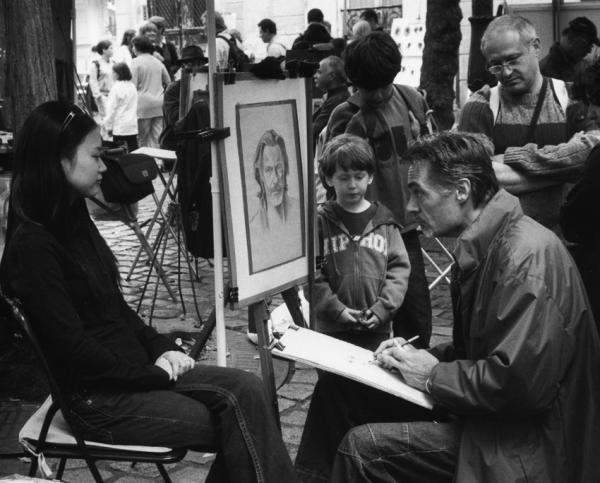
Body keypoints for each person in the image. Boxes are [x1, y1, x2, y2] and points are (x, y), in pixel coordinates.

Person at [0, 100, 299, 483]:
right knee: (243, 418)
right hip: (99, 400)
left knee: (250, 390)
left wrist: (161, 348)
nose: (105, 166)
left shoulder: (72, 216)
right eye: (95, 156)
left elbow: (115, 310)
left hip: (129, 375)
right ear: (59, 160)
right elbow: (72, 350)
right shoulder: (33, 247)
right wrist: (150, 373)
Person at [329, 131, 600, 483]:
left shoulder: (523, 259)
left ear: (462, 191)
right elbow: (483, 350)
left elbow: (518, 387)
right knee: (343, 390)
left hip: (531, 445)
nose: (410, 208)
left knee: (362, 449)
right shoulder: (489, 242)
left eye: (418, 193)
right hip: (506, 423)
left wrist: (430, 374)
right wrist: (415, 358)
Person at [325, 31, 432, 351]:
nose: (372, 96)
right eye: (363, 89)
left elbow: (431, 155)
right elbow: (330, 172)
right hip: (362, 230)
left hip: (406, 225)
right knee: (363, 319)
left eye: (380, 87)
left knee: (415, 315)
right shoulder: (344, 114)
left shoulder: (411, 99)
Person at [458, 15, 600, 233]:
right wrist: (563, 172)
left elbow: (592, 155)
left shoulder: (571, 98)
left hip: (563, 243)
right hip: (502, 242)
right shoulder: (480, 106)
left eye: (513, 59)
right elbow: (477, 178)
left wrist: (510, 159)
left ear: (536, 47)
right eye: (495, 65)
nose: (505, 72)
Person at [248, 129, 301, 272]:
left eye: (279, 168)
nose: (276, 179)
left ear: (286, 168)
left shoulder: (300, 211)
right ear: (259, 175)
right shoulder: (254, 227)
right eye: (268, 170)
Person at [130, 35, 170, 149]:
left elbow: (132, 86)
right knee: (157, 138)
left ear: (136, 47)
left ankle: (144, 163)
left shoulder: (135, 63)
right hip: (159, 105)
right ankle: (157, 163)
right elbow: (169, 82)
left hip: (142, 106)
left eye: (133, 46)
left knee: (142, 140)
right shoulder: (158, 62)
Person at [539, 16, 600, 84]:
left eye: (591, 46)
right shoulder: (546, 71)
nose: (589, 51)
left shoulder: (580, 65)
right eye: (587, 44)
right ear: (573, 39)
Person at [312, 56, 349, 152]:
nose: (315, 76)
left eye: (319, 72)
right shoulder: (332, 97)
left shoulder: (337, 100)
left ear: (332, 76)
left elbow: (313, 131)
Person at [103, 62, 138, 153]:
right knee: (134, 152)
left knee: (118, 153)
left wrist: (108, 126)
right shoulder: (132, 86)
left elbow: (111, 109)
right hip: (132, 125)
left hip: (119, 126)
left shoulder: (116, 87)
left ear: (118, 74)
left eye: (113, 72)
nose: (112, 74)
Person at [88, 40, 114, 135]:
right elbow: (93, 80)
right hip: (102, 95)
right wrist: (97, 95)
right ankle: (105, 140)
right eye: (110, 48)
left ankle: (110, 141)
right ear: (104, 50)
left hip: (113, 95)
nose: (112, 50)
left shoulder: (113, 63)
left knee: (113, 119)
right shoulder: (95, 64)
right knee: (107, 119)